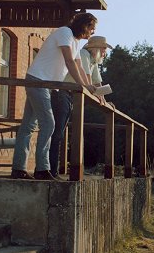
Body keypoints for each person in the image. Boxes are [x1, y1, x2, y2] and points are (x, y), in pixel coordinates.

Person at [11, 13, 97, 180]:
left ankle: (18, 169)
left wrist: (90, 87)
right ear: (83, 25)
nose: (92, 32)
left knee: (28, 125)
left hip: (44, 84)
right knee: (49, 124)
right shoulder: (64, 32)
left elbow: (79, 66)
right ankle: (42, 170)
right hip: (38, 81)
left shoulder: (76, 42)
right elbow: (69, 61)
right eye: (91, 28)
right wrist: (83, 85)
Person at [47, 36, 112, 178]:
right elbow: (87, 78)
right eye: (104, 49)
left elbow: (97, 83)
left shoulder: (94, 61)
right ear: (96, 49)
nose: (105, 53)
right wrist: (97, 94)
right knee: (57, 133)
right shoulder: (84, 54)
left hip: (69, 95)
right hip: (62, 93)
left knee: (59, 132)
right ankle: (51, 171)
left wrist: (105, 101)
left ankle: (52, 170)